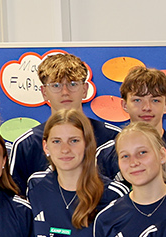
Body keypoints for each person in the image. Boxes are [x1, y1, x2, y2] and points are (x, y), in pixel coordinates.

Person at [9, 52, 118, 185]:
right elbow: (16, 194)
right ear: (44, 92)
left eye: (73, 84)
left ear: (85, 90)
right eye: (56, 85)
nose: (65, 92)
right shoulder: (27, 145)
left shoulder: (113, 138)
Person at [95, 67, 166, 183]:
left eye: (155, 100)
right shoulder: (106, 154)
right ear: (124, 105)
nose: (147, 107)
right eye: (137, 100)